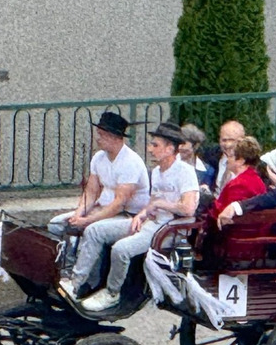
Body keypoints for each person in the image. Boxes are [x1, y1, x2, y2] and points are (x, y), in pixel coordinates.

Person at [78, 121, 200, 313]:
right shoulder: (158, 172)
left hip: (170, 229)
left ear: (170, 149)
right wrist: (142, 214)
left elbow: (189, 208)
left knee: (121, 249)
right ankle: (78, 282)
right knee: (94, 230)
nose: (150, 149)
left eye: (155, 145)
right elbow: (152, 201)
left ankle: (112, 293)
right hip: (152, 223)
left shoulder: (185, 172)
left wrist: (160, 205)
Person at [47, 111, 149, 242]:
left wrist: (87, 220)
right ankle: (63, 258)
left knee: (91, 230)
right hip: (101, 208)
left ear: (115, 137)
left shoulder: (130, 162)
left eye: (102, 135)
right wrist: (79, 213)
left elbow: (119, 203)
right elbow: (91, 192)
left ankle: (85, 262)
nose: (98, 139)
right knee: (56, 225)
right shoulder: (98, 158)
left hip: (126, 215)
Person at [206, 136, 267, 222]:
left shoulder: (239, 185)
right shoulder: (256, 179)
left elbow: (223, 216)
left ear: (241, 161)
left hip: (238, 233)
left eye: (230, 156)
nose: (227, 160)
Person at [203, 119, 246, 195]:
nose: (227, 145)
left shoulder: (249, 161)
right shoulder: (211, 157)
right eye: (224, 140)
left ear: (241, 141)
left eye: (232, 140)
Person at [178, 123, 215, 190]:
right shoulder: (170, 165)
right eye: (178, 143)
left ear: (196, 145)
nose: (180, 147)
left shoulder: (208, 171)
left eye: (183, 143)